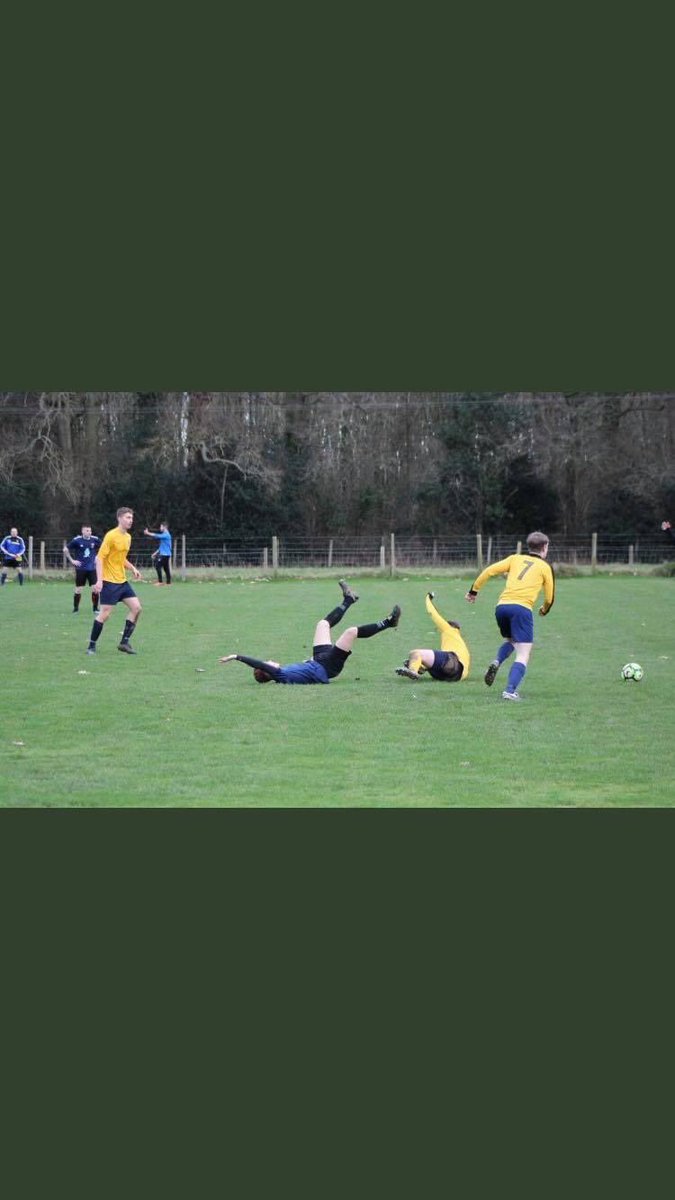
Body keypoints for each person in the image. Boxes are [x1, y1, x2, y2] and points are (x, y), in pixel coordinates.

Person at [219, 580, 401, 683]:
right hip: (328, 666)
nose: (269, 661)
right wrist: (236, 656)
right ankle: (389, 622)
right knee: (350, 632)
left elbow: (303, 671)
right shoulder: (278, 675)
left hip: (319, 660)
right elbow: (256, 662)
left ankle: (348, 599)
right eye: (267, 664)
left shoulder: (282, 672)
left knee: (322, 624)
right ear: (267, 671)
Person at [465, 531, 555, 702]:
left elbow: (489, 571)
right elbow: (550, 598)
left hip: (502, 607)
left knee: (512, 640)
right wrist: (544, 609)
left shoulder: (515, 559)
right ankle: (510, 691)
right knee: (523, 653)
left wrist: (473, 591)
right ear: (544, 548)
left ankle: (497, 661)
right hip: (521, 609)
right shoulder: (545, 567)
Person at [87, 507, 143, 656]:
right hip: (109, 582)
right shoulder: (111, 536)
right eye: (127, 517)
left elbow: (120, 558)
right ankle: (91, 646)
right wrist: (99, 581)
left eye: (131, 518)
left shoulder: (128, 538)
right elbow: (99, 558)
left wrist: (132, 568)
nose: (130, 520)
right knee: (105, 614)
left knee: (137, 608)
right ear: (119, 519)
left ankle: (124, 642)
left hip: (122, 581)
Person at [395, 592, 471, 683]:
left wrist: (428, 598)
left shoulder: (449, 629)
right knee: (428, 659)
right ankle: (421, 667)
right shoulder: (459, 643)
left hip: (452, 662)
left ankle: (413, 671)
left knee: (415, 653)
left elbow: (433, 614)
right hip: (456, 675)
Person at [64, 524, 102, 613]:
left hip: (92, 569)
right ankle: (75, 609)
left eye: (90, 531)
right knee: (78, 589)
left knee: (95, 589)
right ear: (82, 531)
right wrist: (72, 560)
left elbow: (105, 548)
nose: (89, 532)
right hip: (81, 569)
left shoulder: (95, 539)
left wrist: (98, 557)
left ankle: (95, 609)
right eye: (87, 531)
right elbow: (65, 549)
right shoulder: (77, 540)